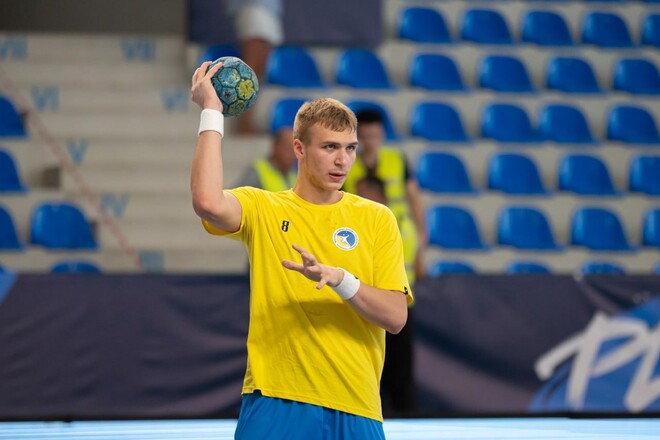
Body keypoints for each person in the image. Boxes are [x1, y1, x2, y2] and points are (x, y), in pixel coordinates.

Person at [190, 61, 413, 439]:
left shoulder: (378, 218)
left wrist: (342, 280)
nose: (343, 160)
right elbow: (208, 202)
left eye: (350, 148)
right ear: (299, 148)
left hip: (356, 403)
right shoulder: (264, 207)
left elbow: (395, 317)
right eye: (329, 147)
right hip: (277, 399)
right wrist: (212, 113)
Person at [355, 176, 418, 417]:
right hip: (367, 304)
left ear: (378, 194)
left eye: (363, 192)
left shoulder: (393, 223)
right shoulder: (362, 219)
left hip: (395, 302)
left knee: (399, 375)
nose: (357, 197)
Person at [342, 110, 427, 283]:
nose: (371, 141)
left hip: (398, 229)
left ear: (382, 134)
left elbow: (414, 197)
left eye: (375, 135)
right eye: (366, 136)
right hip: (361, 233)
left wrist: (421, 233)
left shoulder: (396, 159)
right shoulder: (346, 163)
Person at [227, 0, 283, 135]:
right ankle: (243, 122)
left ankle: (246, 120)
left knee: (259, 70)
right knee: (251, 67)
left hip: (267, 8)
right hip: (254, 6)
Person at [235, 127, 297, 191]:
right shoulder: (257, 172)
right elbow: (237, 197)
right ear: (276, 146)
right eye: (288, 148)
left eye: (295, 150)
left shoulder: (293, 176)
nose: (292, 154)